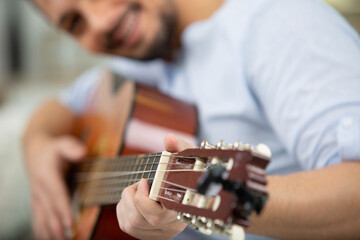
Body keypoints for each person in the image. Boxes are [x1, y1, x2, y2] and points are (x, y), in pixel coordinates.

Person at [23, 0, 360, 239]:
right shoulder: (135, 60)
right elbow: (60, 106)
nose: (99, 22)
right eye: (74, 23)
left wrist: (198, 204)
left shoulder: (280, 25)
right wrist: (37, 149)